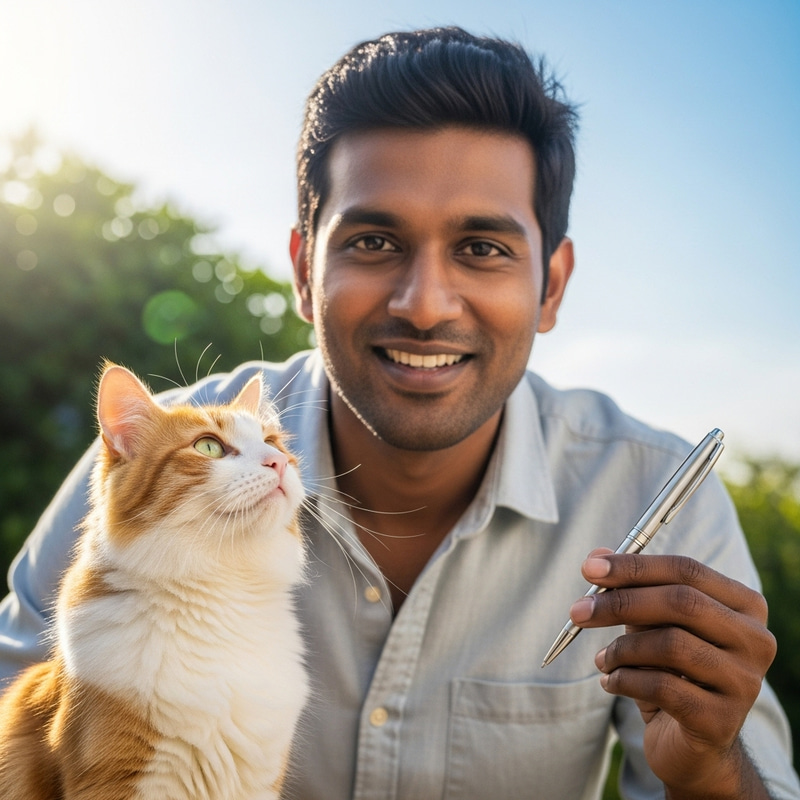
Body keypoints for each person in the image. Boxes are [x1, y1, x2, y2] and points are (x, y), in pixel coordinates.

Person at [1, 26, 798, 800]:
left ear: (551, 286)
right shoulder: (147, 463)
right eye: (375, 243)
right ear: (304, 272)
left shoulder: (655, 496)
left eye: (483, 248)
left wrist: (712, 773)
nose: (424, 306)